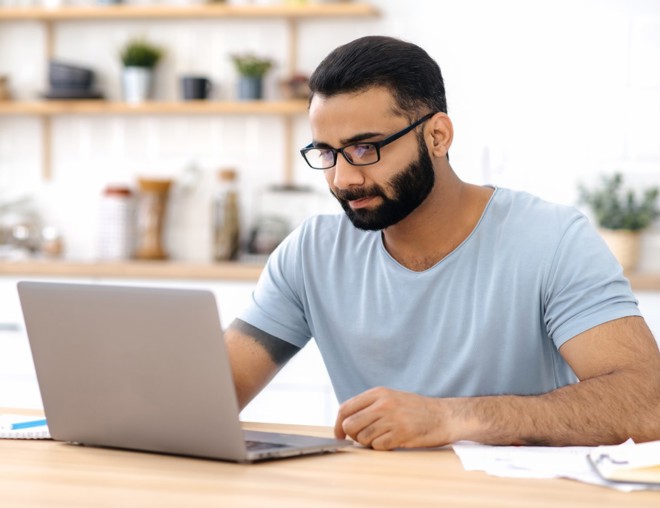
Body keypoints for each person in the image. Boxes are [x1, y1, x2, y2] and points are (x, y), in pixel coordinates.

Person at [225, 35, 660, 450]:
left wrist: (450, 417)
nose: (343, 179)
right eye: (327, 153)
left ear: (438, 136)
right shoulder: (311, 254)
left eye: (364, 149)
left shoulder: (552, 239)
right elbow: (216, 391)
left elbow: (647, 403)